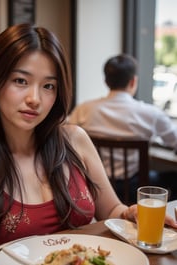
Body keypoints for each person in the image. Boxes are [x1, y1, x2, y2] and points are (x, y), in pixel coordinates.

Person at [0, 25, 177, 265]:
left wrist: (128, 213)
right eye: (20, 81)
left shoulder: (75, 140)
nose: (35, 98)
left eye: (48, 86)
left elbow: (110, 209)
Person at [67, 54, 177, 203]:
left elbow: (66, 135)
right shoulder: (151, 114)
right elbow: (174, 140)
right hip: (135, 188)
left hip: (96, 185)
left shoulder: (84, 109)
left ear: (106, 81)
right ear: (133, 81)